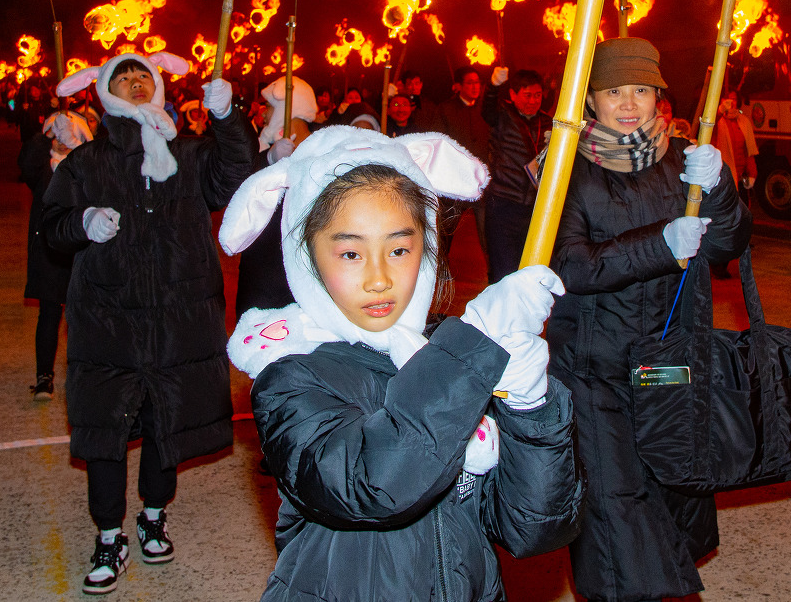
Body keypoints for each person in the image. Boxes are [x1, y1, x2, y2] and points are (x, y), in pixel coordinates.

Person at [220, 126, 583, 602]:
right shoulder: (290, 379)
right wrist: (470, 351)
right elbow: (373, 488)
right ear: (308, 258)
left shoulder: (447, 354)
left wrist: (530, 408)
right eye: (351, 253)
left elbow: (534, 529)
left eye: (398, 250)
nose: (379, 278)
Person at [42, 52, 256, 594]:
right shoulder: (86, 161)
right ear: (105, 92)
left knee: (168, 417)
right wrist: (83, 220)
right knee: (104, 427)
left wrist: (227, 118)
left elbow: (237, 174)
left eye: (144, 75)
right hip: (107, 319)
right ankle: (109, 535)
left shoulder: (187, 153)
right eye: (124, 77)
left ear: (157, 86)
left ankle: (153, 516)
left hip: (180, 316)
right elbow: (52, 225)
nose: (136, 82)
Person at [546, 37, 751, 602]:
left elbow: (729, 244)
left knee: (670, 495)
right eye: (614, 91)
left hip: (669, 363)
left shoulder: (684, 158)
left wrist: (719, 189)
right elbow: (568, 265)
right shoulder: (567, 169)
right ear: (591, 99)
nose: (629, 103)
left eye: (641, 89)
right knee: (615, 509)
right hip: (594, 369)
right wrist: (660, 245)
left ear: (659, 96)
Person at [19, 110, 93, 399]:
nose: (63, 140)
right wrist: (47, 135)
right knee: (49, 314)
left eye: (70, 133)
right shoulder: (43, 170)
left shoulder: (88, 168)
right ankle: (44, 375)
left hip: (82, 253)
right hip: (50, 254)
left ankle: (85, 373)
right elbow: (26, 163)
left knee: (84, 317)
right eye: (57, 134)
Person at [234, 76, 318, 317]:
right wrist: (267, 161)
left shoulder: (322, 150)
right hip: (262, 277)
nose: (264, 114)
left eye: (270, 107)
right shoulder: (261, 151)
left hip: (304, 276)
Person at [480, 67, 551, 282]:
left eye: (537, 95)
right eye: (527, 95)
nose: (533, 101)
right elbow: (487, 109)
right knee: (503, 268)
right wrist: (493, 86)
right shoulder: (502, 115)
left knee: (530, 266)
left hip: (535, 206)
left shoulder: (548, 122)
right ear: (513, 94)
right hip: (504, 204)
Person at [429, 67, 491, 259]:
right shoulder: (446, 109)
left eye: (477, 82)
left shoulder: (485, 109)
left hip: (481, 182)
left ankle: (492, 269)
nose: (475, 87)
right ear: (459, 86)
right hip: (454, 183)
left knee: (487, 233)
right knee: (446, 232)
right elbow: (439, 142)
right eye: (470, 83)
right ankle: (440, 266)